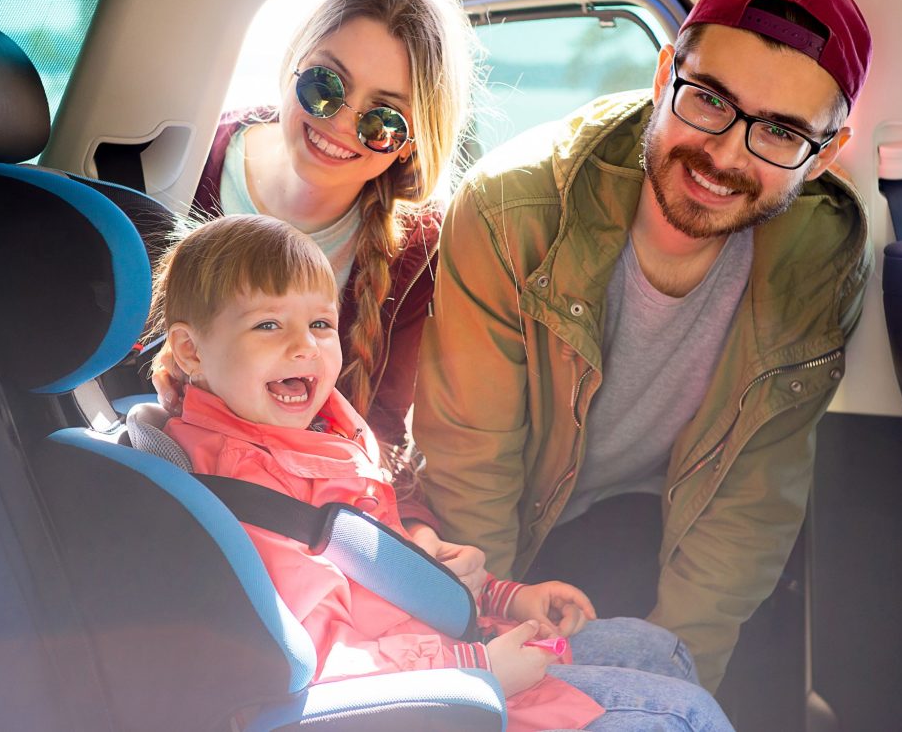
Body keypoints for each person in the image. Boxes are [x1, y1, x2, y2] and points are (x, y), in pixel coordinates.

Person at [411, 0, 874, 693]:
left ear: (823, 158)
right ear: (664, 77)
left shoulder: (822, 256)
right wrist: (489, 664)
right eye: (709, 100)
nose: (724, 155)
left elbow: (750, 504)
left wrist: (677, 684)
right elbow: (473, 465)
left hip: (658, 520)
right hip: (518, 529)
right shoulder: (511, 211)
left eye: (782, 133)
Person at [150, 213, 735, 731]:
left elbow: (381, 576)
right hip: (423, 695)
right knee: (683, 715)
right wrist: (475, 668)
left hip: (436, 650)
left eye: (321, 325)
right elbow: (321, 662)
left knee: (662, 651)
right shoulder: (246, 487)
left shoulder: (313, 437)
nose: (305, 347)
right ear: (192, 351)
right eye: (268, 325)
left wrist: (504, 597)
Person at [156, 0, 474, 469]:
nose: (341, 124)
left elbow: (382, 432)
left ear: (411, 143)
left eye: (383, 120)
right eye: (326, 86)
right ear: (294, 65)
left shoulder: (421, 248)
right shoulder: (191, 158)